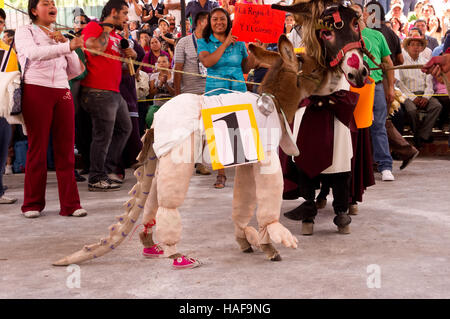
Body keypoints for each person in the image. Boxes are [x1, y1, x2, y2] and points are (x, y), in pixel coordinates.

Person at [15, 0, 87, 217]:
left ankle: (71, 205)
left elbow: (75, 69)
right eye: (45, 3)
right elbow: (32, 54)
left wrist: (67, 46)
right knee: (37, 148)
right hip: (36, 87)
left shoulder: (59, 34)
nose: (52, 6)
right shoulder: (24, 31)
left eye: (53, 3)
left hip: (62, 90)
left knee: (66, 149)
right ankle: (32, 204)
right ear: (34, 10)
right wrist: (65, 46)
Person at [80, 0, 134, 191]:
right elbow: (94, 48)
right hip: (97, 91)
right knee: (103, 135)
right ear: (114, 12)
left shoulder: (116, 36)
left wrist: (130, 55)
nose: (127, 18)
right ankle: (96, 176)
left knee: (124, 129)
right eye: (125, 13)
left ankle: (108, 170)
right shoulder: (94, 27)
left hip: (114, 91)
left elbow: (125, 66)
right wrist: (105, 29)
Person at [197, 7, 251, 188]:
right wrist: (226, 43)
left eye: (222, 19)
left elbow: (246, 68)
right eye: (215, 19)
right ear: (209, 23)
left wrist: (259, 49)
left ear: (228, 21)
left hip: (237, 89)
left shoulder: (240, 42)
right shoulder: (204, 41)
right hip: (215, 91)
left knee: (238, 132)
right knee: (218, 132)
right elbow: (207, 62)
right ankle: (221, 174)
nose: (219, 22)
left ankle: (242, 176)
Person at [356, 3, 396, 181]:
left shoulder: (378, 35)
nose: (356, 15)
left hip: (377, 85)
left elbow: (388, 63)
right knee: (354, 127)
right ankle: (355, 166)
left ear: (365, 14)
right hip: (354, 85)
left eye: (358, 11)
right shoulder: (345, 36)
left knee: (378, 126)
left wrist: (391, 87)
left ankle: (385, 166)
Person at [173, 10, 210, 175]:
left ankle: (200, 161)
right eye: (211, 20)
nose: (215, 24)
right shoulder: (184, 42)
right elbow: (178, 69)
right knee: (190, 127)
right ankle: (186, 160)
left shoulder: (213, 42)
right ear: (201, 22)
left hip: (210, 89)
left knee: (205, 127)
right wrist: (177, 93)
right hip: (189, 91)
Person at [396, 32, 442, 147]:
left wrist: (426, 97)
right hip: (407, 95)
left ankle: (423, 135)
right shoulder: (402, 62)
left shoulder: (425, 62)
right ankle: (417, 136)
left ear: (422, 48)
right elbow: (400, 83)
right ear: (407, 47)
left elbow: (429, 82)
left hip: (423, 93)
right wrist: (413, 97)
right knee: (411, 111)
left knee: (437, 106)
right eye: (413, 44)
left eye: (419, 45)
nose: (416, 47)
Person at [0, 8, 18, 205]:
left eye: (0, 21)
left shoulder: (7, 50)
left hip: (1, 107)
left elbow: (12, 78)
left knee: (2, 149)